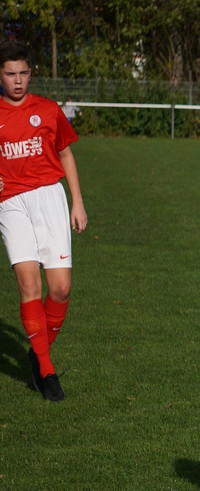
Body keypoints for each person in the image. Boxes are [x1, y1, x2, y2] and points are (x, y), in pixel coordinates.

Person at [0, 41, 87, 402]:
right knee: (29, 284)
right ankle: (48, 372)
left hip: (51, 198)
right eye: (10, 74)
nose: (18, 80)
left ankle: (37, 352)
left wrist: (77, 203)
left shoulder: (49, 110)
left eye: (23, 73)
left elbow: (65, 154)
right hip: (10, 203)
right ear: (0, 76)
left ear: (31, 73)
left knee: (61, 288)